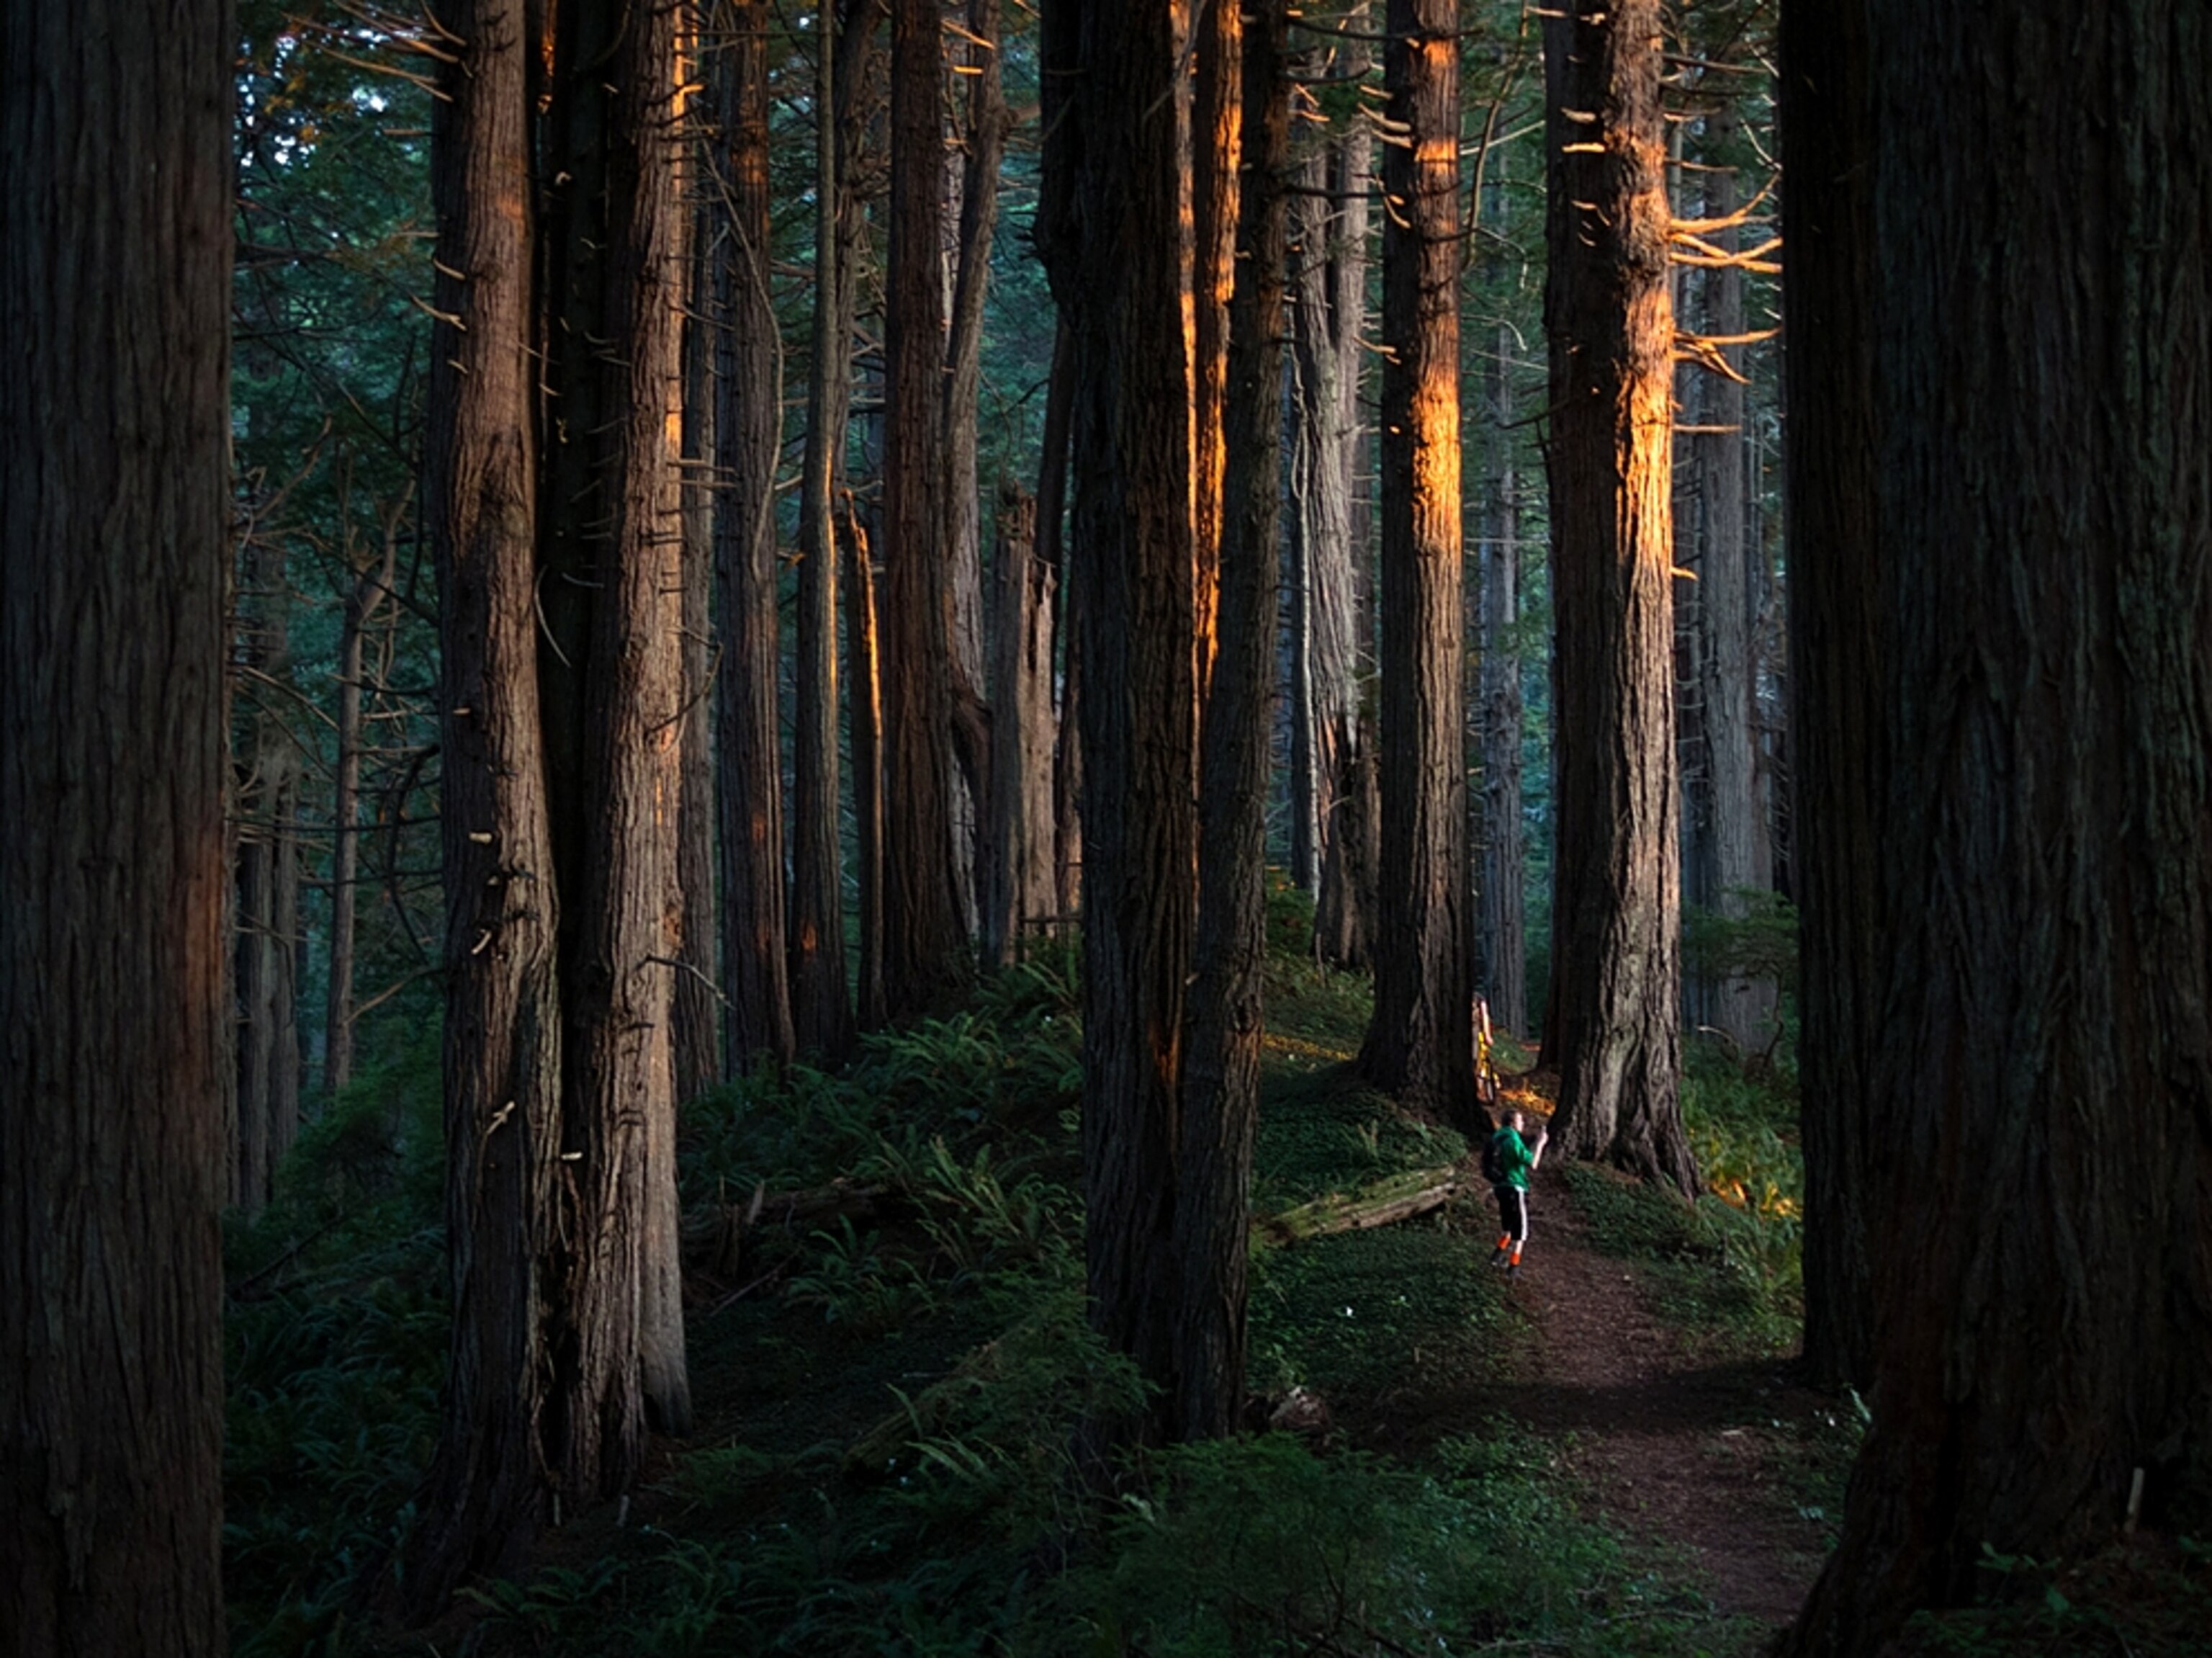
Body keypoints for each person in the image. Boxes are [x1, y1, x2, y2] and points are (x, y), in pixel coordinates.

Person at [1487, 1109, 1547, 1277]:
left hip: (1500, 1186)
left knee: (1508, 1223)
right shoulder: (1513, 1140)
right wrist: (1541, 1143)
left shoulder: (1498, 1136)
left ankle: (1496, 1256)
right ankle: (1514, 1267)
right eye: (1521, 1121)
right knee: (1520, 1230)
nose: (1523, 1124)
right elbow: (1533, 1163)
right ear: (1513, 1123)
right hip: (1515, 1187)